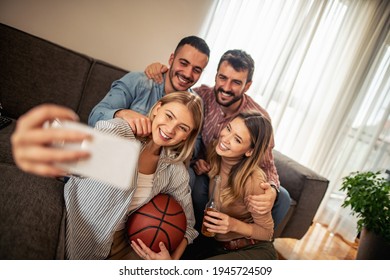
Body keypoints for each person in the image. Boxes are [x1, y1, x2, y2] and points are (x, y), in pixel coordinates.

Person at [11, 91, 204, 260]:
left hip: (125, 245)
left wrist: (170, 264)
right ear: (157, 109)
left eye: (183, 128)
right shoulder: (121, 131)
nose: (171, 129)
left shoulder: (174, 169)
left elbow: (188, 225)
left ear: (187, 136)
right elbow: (72, 153)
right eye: (169, 116)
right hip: (83, 234)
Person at [144, 50, 291, 230]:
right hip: (204, 172)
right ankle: (194, 241)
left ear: (247, 86)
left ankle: (250, 246)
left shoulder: (259, 118)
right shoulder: (199, 96)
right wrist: (159, 71)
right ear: (216, 76)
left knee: (283, 197)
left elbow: (267, 165)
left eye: (236, 82)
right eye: (223, 78)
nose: (226, 87)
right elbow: (172, 103)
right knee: (195, 186)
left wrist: (272, 190)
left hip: (237, 177)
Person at [88, 35, 210, 138]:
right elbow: (94, 117)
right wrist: (122, 113)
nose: (188, 74)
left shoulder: (196, 104)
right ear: (171, 59)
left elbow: (193, 146)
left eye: (197, 70)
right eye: (183, 63)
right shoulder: (137, 81)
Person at [200, 111, 277, 259]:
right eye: (228, 129)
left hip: (253, 249)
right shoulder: (216, 152)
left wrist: (233, 225)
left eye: (237, 139)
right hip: (218, 246)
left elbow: (267, 233)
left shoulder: (253, 181)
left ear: (249, 151)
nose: (226, 139)